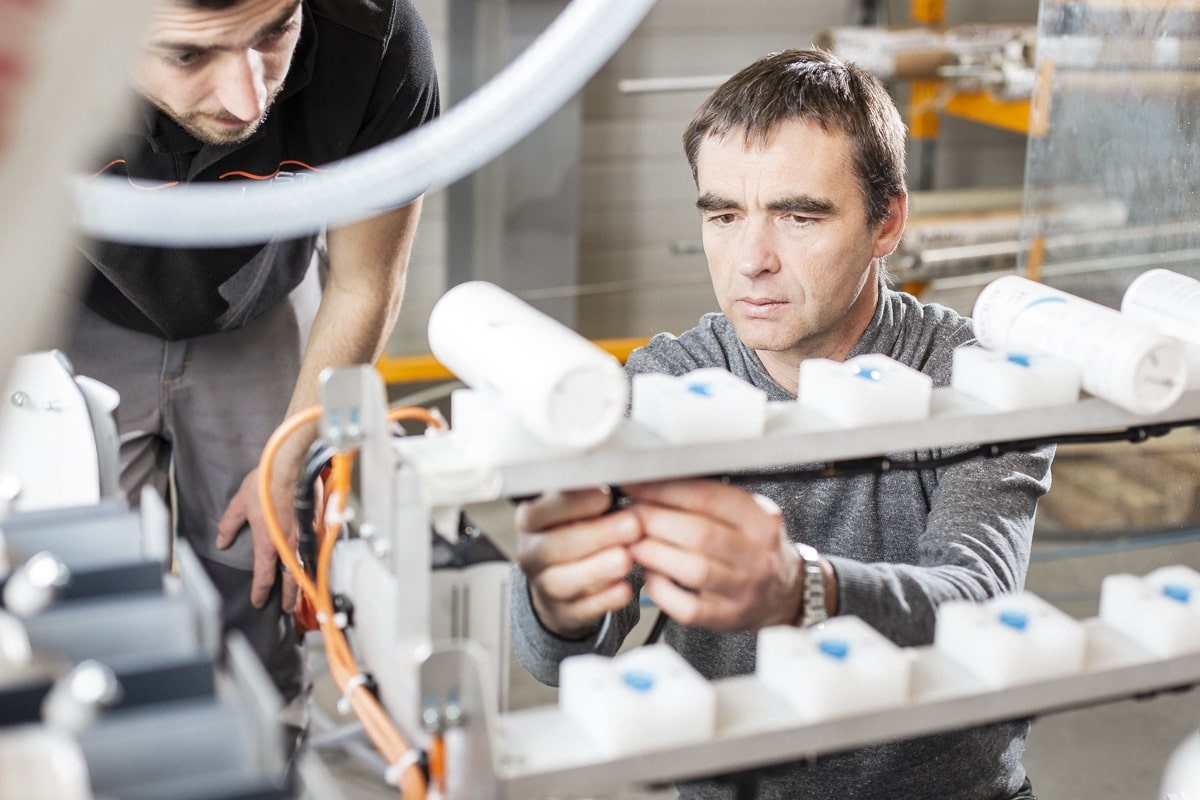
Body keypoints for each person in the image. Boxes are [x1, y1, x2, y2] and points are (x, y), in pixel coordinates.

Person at [511, 49, 1051, 799]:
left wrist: (808, 590)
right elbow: (554, 658)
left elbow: (981, 603)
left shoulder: (974, 373)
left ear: (887, 220)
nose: (751, 260)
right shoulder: (663, 383)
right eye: (725, 216)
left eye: (799, 217)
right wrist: (558, 601)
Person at [59, 0, 439, 720]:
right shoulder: (29, 40)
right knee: (81, 592)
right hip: (73, 311)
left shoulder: (374, 35)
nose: (248, 96)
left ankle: (269, 751)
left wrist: (290, 456)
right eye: (188, 56)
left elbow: (364, 280)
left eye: (274, 34)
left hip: (264, 305)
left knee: (262, 568)